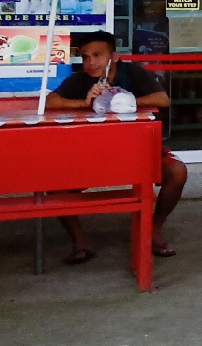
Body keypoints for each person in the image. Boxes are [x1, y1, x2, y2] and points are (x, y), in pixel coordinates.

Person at [46, 31, 186, 263]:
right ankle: (80, 240)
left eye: (98, 55)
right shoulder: (81, 80)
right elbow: (51, 101)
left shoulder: (132, 73)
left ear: (115, 56)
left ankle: (153, 229)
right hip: (92, 153)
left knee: (177, 171)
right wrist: (85, 103)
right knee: (53, 181)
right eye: (85, 57)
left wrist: (123, 100)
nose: (91, 63)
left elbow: (163, 100)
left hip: (137, 151)